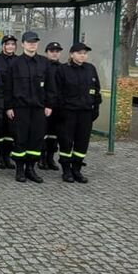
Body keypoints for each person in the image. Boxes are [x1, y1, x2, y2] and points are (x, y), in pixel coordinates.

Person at [3, 31, 56, 183]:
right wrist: (9, 107)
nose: (32, 44)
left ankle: (31, 168)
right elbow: (8, 87)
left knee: (36, 139)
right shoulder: (15, 63)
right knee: (20, 138)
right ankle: (20, 170)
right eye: (29, 42)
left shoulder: (44, 63)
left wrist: (49, 105)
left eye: (35, 42)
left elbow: (51, 86)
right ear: (23, 44)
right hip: (20, 108)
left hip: (39, 108)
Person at [54, 42, 102, 183]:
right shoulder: (63, 70)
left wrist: (96, 108)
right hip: (68, 113)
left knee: (82, 142)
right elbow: (57, 92)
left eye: (85, 53)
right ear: (72, 54)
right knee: (66, 142)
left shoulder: (90, 69)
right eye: (80, 53)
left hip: (85, 112)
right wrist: (61, 111)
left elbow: (96, 90)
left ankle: (77, 169)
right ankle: (66, 170)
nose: (82, 56)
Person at [0, 34, 17, 170]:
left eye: (13, 44)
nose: (10, 47)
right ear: (3, 46)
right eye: (8, 44)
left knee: (11, 131)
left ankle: (7, 156)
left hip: (14, 102)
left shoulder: (19, 61)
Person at [39, 41, 64, 171]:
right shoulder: (42, 66)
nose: (54, 54)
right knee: (42, 132)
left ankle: (50, 157)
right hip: (44, 105)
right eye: (52, 51)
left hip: (58, 106)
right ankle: (41, 158)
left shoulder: (63, 68)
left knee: (54, 134)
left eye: (57, 51)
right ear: (46, 52)